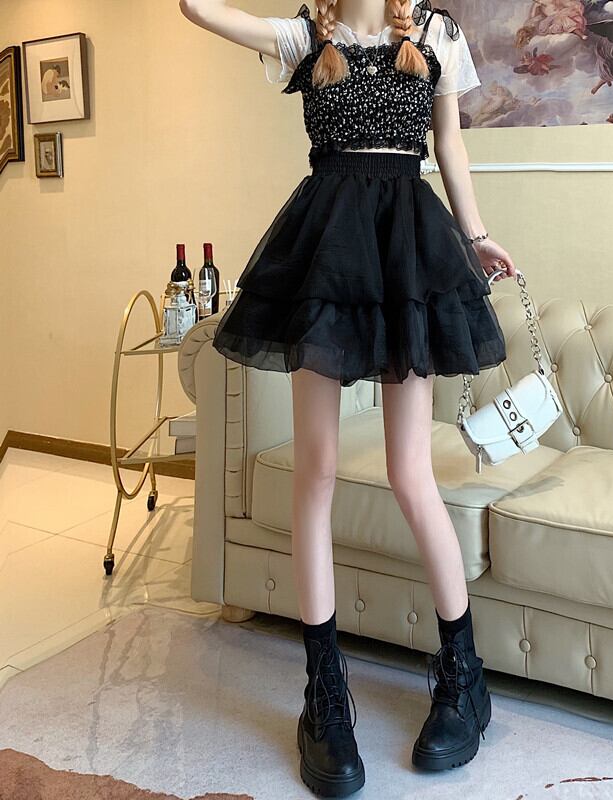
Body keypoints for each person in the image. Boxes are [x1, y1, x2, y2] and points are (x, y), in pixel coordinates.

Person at [179, 1, 517, 795]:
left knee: (410, 472)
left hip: (409, 253)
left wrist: (474, 236)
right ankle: (324, 694)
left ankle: (464, 677)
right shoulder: (306, 34)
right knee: (317, 471)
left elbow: (450, 141)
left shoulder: (435, 33)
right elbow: (195, 8)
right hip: (325, 256)